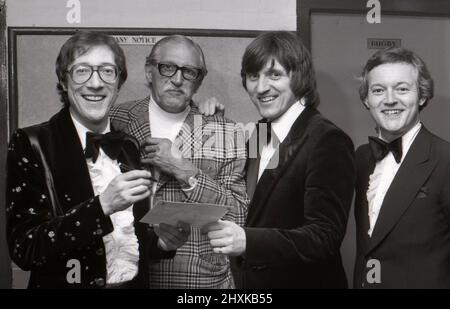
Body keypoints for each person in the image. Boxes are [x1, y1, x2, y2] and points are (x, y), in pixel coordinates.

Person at [6, 31, 188, 289]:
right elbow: (24, 248)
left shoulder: (127, 147)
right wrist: (101, 206)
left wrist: (160, 243)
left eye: (107, 71)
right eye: (82, 71)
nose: (95, 83)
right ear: (64, 80)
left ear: (118, 82)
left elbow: (124, 243)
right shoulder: (31, 143)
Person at [201, 31, 355, 288]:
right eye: (253, 76)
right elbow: (250, 202)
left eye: (274, 75)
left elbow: (324, 236)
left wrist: (249, 242)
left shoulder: (328, 140)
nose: (261, 88)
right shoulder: (259, 133)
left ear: (299, 76)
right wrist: (218, 124)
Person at [109, 35, 248, 289]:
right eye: (167, 67)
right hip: (127, 279)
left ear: (199, 81)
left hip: (198, 284)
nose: (177, 79)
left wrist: (184, 170)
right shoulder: (114, 120)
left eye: (189, 72)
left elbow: (239, 216)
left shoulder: (227, 132)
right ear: (149, 71)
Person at [353, 47, 450, 288]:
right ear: (367, 99)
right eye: (378, 90)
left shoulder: (446, 159)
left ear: (422, 95)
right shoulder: (361, 157)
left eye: (402, 89)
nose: (389, 99)